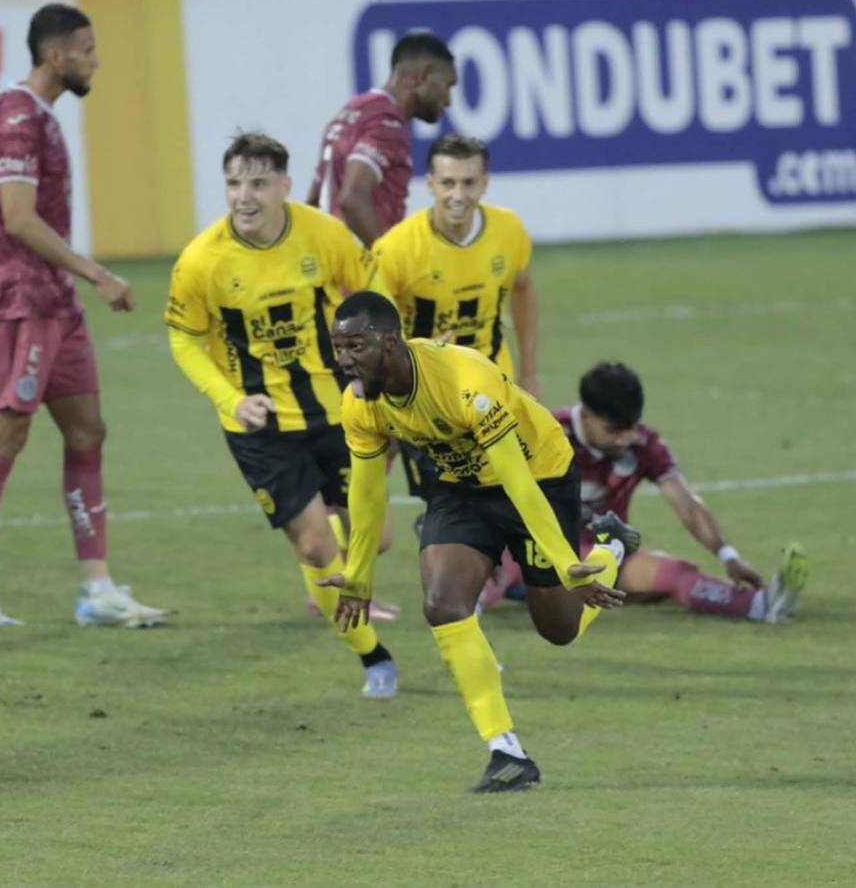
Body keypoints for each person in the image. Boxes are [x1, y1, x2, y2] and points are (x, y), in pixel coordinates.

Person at [323, 292, 641, 792]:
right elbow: (365, 489)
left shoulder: (465, 379)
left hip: (538, 476)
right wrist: (358, 572)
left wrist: (562, 560)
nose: (343, 360)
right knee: (443, 604)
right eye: (337, 347)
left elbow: (516, 479)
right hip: (459, 487)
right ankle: (505, 750)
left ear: (390, 342)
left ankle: (610, 549)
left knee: (559, 628)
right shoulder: (361, 404)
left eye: (354, 346)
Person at [0, 3, 170, 628]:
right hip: (20, 300)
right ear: (56, 54)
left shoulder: (41, 116)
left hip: (54, 302)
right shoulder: (16, 117)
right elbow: (16, 217)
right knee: (5, 434)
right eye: (87, 50)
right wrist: (97, 273)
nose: (96, 60)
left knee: (88, 430)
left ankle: (97, 588)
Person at [165, 132, 398, 699]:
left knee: (380, 537)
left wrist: (380, 355)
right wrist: (231, 401)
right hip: (260, 427)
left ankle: (318, 564)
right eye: (234, 183)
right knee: (318, 548)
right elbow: (184, 339)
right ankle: (374, 658)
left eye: (258, 183)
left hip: (336, 409)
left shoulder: (323, 234)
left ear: (284, 186)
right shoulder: (202, 261)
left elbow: (373, 287)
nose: (244, 196)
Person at [550, 361, 808, 622]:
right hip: (537, 551)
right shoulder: (547, 434)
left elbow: (687, 504)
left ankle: (760, 605)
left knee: (674, 574)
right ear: (585, 417)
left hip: (599, 555)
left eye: (632, 427)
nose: (625, 439)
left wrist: (729, 556)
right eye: (614, 431)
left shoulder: (644, 444)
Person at [369, 133, 539, 511]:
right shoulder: (397, 249)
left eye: (468, 182)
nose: (458, 195)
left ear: (485, 182)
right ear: (429, 183)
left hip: (494, 390)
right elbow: (372, 330)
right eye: (447, 183)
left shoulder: (509, 232)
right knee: (453, 515)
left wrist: (529, 371)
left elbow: (524, 289)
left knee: (510, 504)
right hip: (424, 400)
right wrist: (412, 359)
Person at [307, 32, 456, 247]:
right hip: (360, 272)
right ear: (422, 76)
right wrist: (387, 264)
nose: (449, 100)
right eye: (447, 85)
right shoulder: (387, 124)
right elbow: (352, 198)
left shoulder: (351, 112)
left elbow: (314, 201)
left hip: (331, 266)